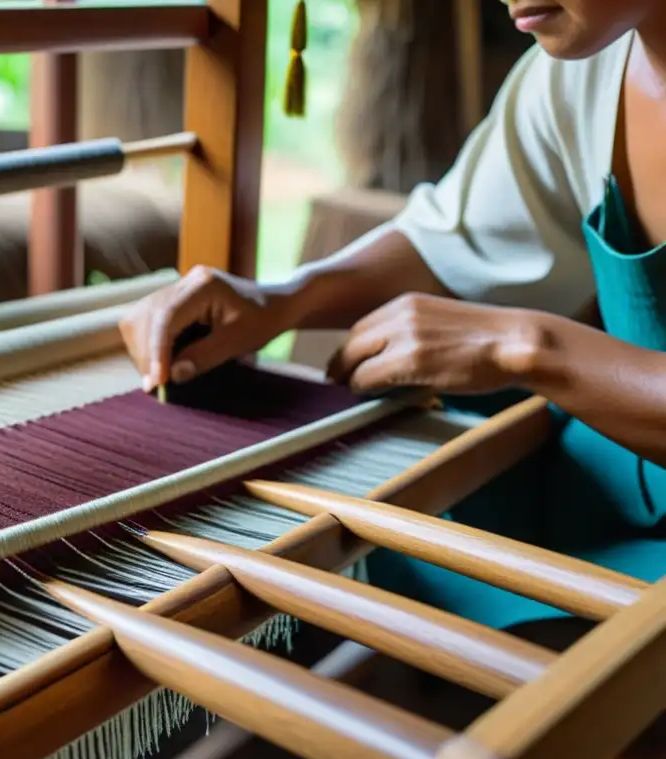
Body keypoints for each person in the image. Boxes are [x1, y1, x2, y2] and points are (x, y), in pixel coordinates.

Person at [118, 0, 666, 638]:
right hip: (602, 489)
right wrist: (282, 298)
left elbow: (514, 331)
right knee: (369, 549)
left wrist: (525, 347)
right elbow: (455, 242)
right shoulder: (580, 80)